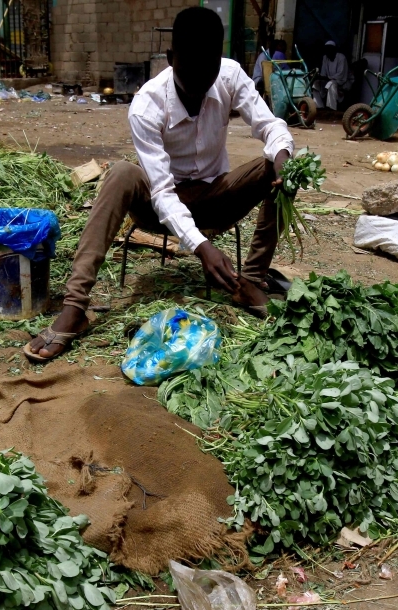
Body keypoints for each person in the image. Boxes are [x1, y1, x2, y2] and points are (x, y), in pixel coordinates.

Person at [25, 6, 293, 362]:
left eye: (208, 71)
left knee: (282, 169)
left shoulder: (230, 76)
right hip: (160, 208)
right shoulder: (147, 104)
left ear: (220, 59)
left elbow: (270, 126)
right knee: (121, 172)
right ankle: (75, 307)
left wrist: (281, 156)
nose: (199, 85)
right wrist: (200, 246)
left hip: (217, 197)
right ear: (170, 58)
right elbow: (163, 193)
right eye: (189, 71)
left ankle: (251, 281)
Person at [313, 40, 353, 111]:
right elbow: (323, 73)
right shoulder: (325, 57)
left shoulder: (341, 58)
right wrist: (319, 77)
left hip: (344, 82)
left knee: (331, 84)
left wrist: (327, 78)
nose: (328, 52)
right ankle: (318, 107)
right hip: (330, 80)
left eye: (330, 49)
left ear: (334, 50)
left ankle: (331, 109)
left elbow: (341, 76)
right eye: (326, 50)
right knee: (316, 83)